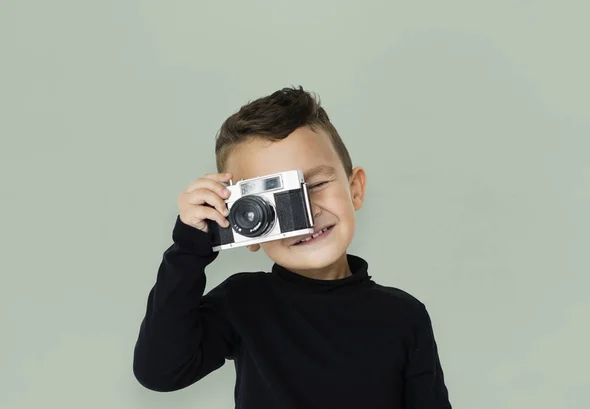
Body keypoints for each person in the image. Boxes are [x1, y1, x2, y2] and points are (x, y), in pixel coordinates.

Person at [132, 86, 452, 408]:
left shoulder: (404, 315)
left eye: (314, 185)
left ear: (355, 190)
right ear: (245, 222)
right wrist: (189, 248)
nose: (307, 213)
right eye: (272, 204)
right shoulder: (243, 302)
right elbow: (160, 371)